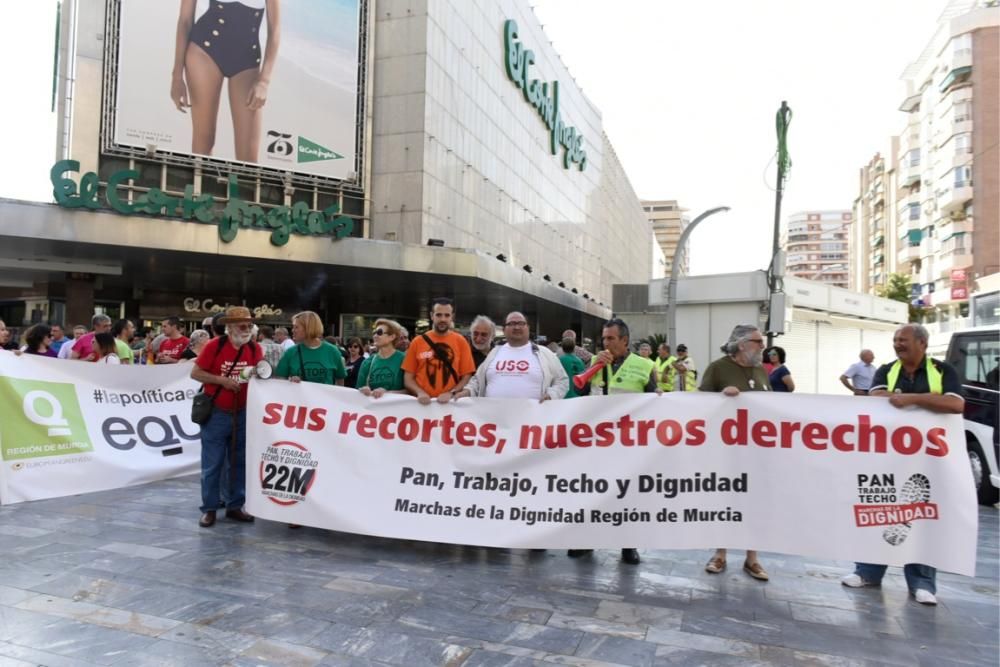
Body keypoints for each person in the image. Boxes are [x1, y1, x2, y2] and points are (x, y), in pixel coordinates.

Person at [841, 324, 964, 606]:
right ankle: (868, 572)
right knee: (878, 511)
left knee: (921, 517)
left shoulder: (944, 371)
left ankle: (922, 583)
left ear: (922, 342)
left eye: (903, 340)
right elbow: (876, 399)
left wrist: (910, 399)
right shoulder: (887, 369)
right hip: (889, 458)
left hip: (930, 459)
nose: (898, 344)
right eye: (895, 340)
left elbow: (955, 405)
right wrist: (928, 403)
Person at [570, 318, 655, 566]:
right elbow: (580, 392)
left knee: (627, 494)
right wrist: (594, 368)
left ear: (625, 341)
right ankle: (586, 540)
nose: (605, 343)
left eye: (610, 339)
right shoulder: (596, 362)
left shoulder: (645, 366)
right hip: (598, 439)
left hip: (629, 441)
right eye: (603, 338)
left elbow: (652, 402)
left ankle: (628, 545)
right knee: (592, 491)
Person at [700, 325, 771, 582]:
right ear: (742, 344)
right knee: (725, 501)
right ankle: (720, 554)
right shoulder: (718, 368)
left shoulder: (761, 370)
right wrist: (722, 398)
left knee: (753, 502)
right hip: (726, 449)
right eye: (758, 342)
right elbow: (700, 405)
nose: (762, 346)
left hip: (756, 449)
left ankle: (752, 558)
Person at [172, 0, 280, 163]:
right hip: (204, 52)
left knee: (248, 158)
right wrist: (177, 76)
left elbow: (275, 29)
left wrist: (264, 81)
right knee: (204, 142)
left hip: (247, 61)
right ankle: (199, 188)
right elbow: (185, 20)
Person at [191, 306, 262, 528]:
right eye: (243, 325)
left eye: (249, 325)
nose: (247, 329)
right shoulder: (215, 345)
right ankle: (210, 508)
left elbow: (259, 372)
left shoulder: (254, 348)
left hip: (242, 413)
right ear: (230, 327)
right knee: (213, 463)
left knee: (239, 461)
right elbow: (195, 373)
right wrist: (222, 381)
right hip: (217, 413)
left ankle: (234, 505)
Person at [461, 312, 568, 401]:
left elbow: (562, 381)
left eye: (521, 323)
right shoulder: (494, 353)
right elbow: (477, 381)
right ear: (504, 330)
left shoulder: (544, 353)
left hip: (532, 422)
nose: (517, 327)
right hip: (494, 421)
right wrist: (467, 391)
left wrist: (551, 395)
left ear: (528, 328)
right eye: (511, 323)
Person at [402, 297, 475, 404]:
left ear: (452, 317)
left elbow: (467, 376)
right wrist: (420, 392)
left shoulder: (461, 341)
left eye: (447, 315)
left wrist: (451, 393)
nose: (443, 319)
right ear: (432, 315)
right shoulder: (417, 342)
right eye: (438, 315)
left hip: (449, 406)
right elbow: (408, 379)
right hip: (421, 405)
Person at [275, 311, 347, 386]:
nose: (292, 330)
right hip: (298, 397)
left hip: (325, 397)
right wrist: (290, 382)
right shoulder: (290, 352)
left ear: (308, 328)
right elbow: (280, 380)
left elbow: (340, 380)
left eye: (296, 327)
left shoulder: (332, 351)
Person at [357, 319, 407, 398]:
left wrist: (387, 393)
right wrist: (363, 390)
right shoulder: (367, 362)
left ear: (392, 337)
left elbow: (411, 392)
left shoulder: (404, 359)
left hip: (398, 409)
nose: (375, 336)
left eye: (379, 332)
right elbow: (357, 392)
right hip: (373, 409)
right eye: (374, 333)